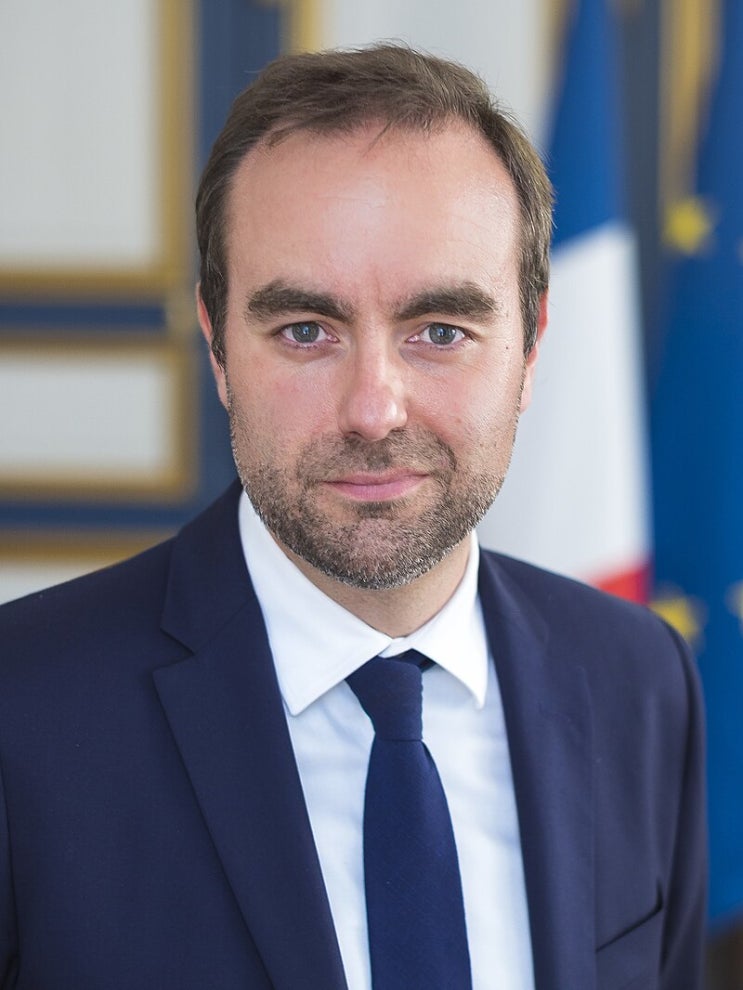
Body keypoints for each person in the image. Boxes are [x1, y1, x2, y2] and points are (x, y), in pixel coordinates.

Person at [0, 44, 706, 989]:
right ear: (217, 345)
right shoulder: (21, 711)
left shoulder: (639, 678)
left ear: (531, 346)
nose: (374, 410)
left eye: (440, 331)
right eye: (305, 331)